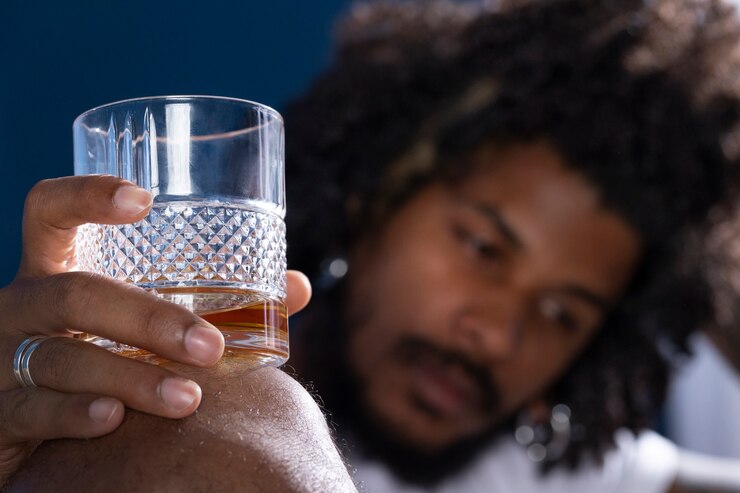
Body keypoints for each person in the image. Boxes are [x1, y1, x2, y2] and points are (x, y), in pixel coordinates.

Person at [4, 0, 740, 491]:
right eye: (483, 247)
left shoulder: (541, 468)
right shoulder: (186, 432)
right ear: (375, 193)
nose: (496, 332)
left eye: (563, 312)